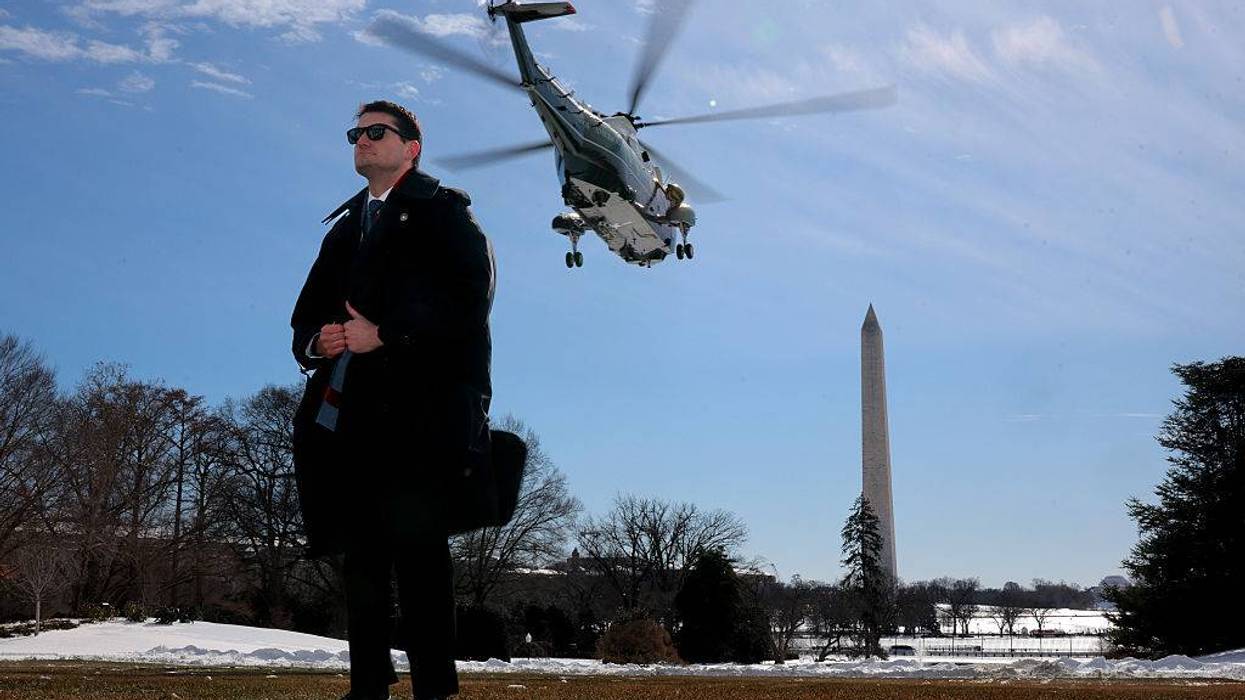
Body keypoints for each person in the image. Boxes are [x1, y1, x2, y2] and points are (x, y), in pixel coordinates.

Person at [290, 100, 495, 700]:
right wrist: (319, 341)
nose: (362, 140)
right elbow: (304, 316)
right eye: (355, 133)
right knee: (361, 559)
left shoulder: (445, 213)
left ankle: (434, 687)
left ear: (411, 148)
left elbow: (469, 299)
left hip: (422, 414)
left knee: (420, 555)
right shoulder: (343, 229)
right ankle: (368, 686)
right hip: (349, 417)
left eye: (376, 131)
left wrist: (386, 333)